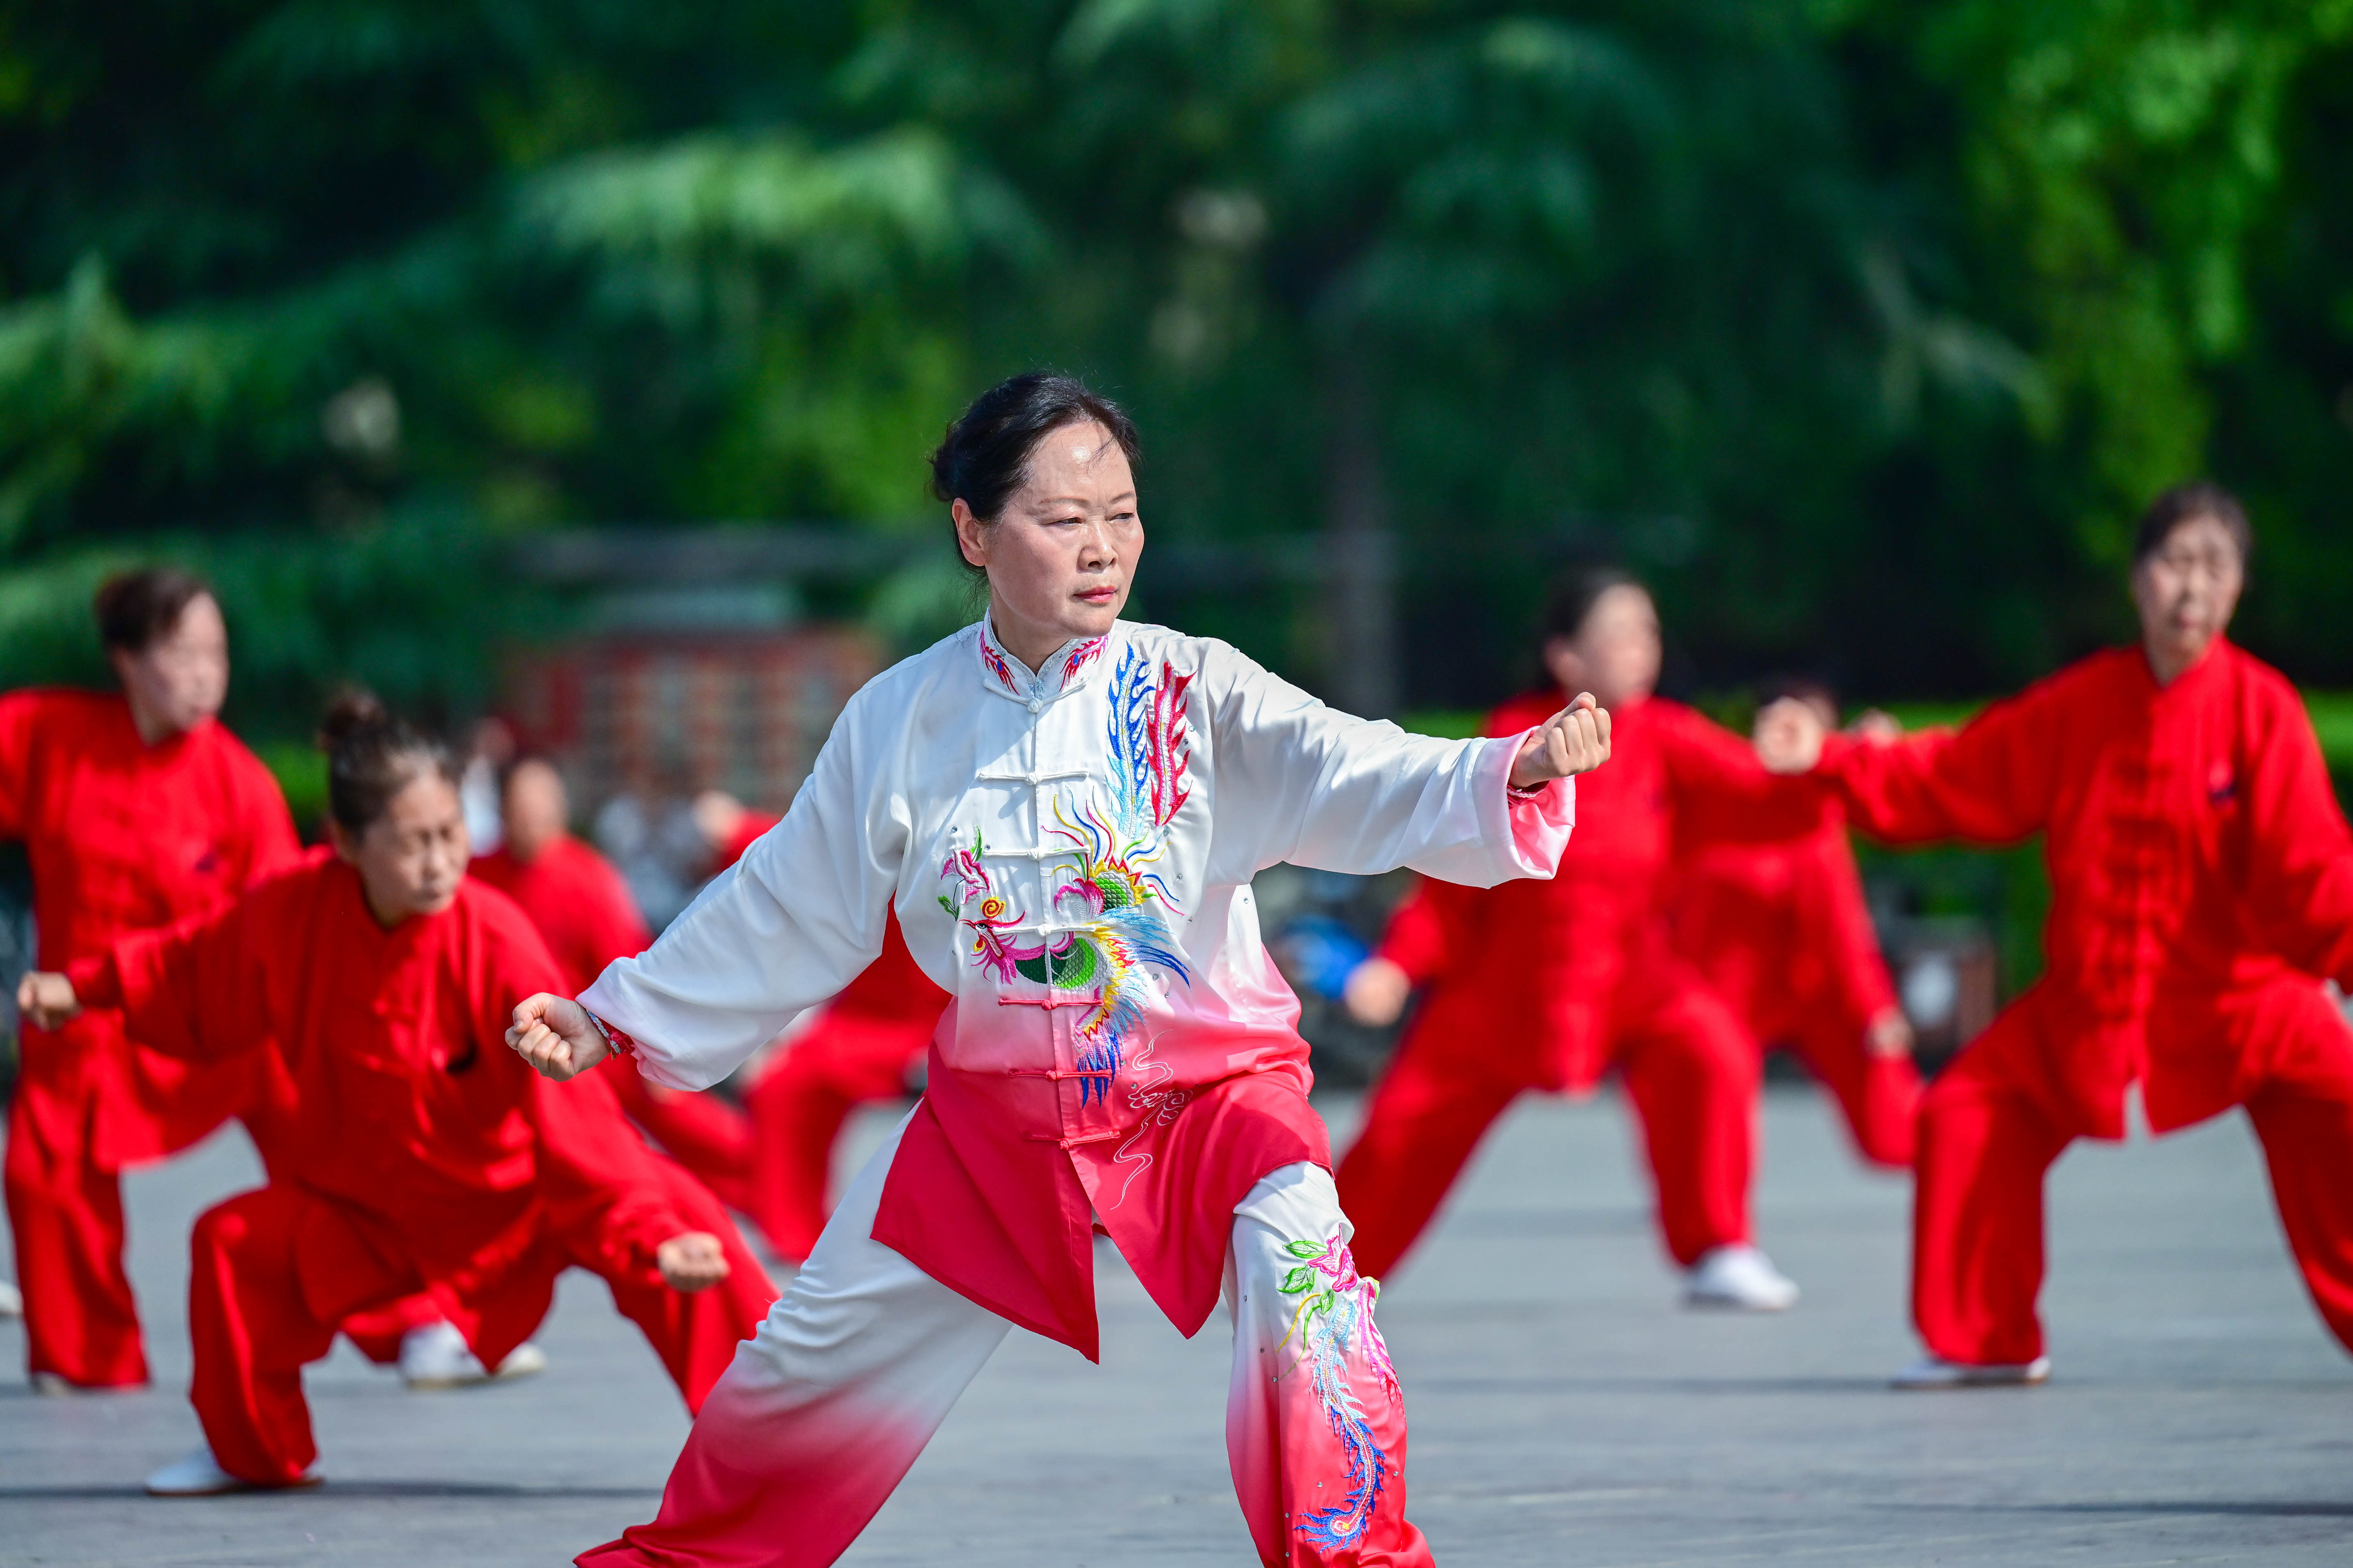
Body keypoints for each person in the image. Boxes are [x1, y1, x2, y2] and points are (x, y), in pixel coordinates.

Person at [503, 372, 1610, 1567]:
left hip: (1210, 1097)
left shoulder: (1193, 690)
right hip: (995, 1121)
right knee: (810, 1356)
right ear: (973, 532)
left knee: (1307, 1278)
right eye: (1063, 517)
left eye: (1121, 515)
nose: (1103, 547)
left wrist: (1508, 768)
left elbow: (1353, 766)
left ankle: (1355, 1559)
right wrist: (615, 1012)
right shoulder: (902, 718)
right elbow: (788, 895)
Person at [16, 694, 776, 1493]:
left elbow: (577, 1120)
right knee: (233, 1245)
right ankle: (252, 1453)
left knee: (685, 1221)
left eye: (451, 834)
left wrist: (649, 1236)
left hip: (515, 1202)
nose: (441, 862)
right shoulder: (291, 913)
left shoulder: (494, 934)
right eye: (415, 843)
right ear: (347, 843)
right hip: (370, 1211)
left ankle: (774, 1439)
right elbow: (190, 963)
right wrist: (83, 987)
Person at [1757, 481, 2353, 1386]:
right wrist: (1836, 757)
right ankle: (1985, 1338)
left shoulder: (2261, 711)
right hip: (2092, 1005)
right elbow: (1963, 771)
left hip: (2239, 1001)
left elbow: (2313, 869)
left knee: (2340, 1109)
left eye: (2214, 567)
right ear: (2137, 578)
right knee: (1968, 1111)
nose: (2191, 588)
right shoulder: (2081, 704)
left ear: (2238, 588)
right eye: (2174, 563)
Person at [1335, 569, 1827, 1309]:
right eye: (1621, 633)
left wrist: (1833, 759)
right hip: (1508, 988)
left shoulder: (1666, 735)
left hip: (1633, 978)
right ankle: (1322, 1277)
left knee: (1711, 1050)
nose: (1641, 649)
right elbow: (1448, 875)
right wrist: (1398, 966)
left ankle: (1719, 1245)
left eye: (1648, 632)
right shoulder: (1515, 734)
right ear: (1566, 656)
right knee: (1404, 1130)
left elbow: (1764, 797)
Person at [1, 569, 301, 1392]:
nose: (206, 674)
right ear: (127, 659)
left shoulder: (241, 785)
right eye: (183, 653)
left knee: (319, 1117)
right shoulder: (51, 736)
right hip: (78, 1016)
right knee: (40, 1169)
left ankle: (419, 1321)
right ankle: (90, 1361)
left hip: (209, 1015)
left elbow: (287, 920)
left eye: (217, 654)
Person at [1663, 678, 1921, 1169]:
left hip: (1808, 984)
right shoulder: (1715, 788)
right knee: (1710, 1120)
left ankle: (1951, 1155)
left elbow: (1839, 921)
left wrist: (1875, 1009)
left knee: (1889, 1103)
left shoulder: (1815, 807)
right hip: (1724, 986)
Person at [694, 791, 951, 1262]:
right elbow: (805, 844)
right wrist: (737, 829)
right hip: (860, 1017)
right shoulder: (867, 841)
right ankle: (797, 1232)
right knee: (780, 1086)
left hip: (934, 1019)